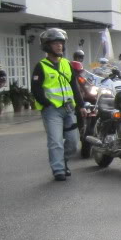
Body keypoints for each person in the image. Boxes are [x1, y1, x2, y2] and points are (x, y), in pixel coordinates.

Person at [30, 28, 83, 181]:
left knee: (73, 142)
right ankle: (58, 169)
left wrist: (81, 106)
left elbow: (74, 87)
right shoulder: (41, 66)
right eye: (55, 43)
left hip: (69, 109)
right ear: (47, 46)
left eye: (61, 43)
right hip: (52, 110)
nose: (59, 46)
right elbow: (36, 89)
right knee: (56, 141)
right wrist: (46, 104)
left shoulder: (67, 64)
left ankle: (63, 161)